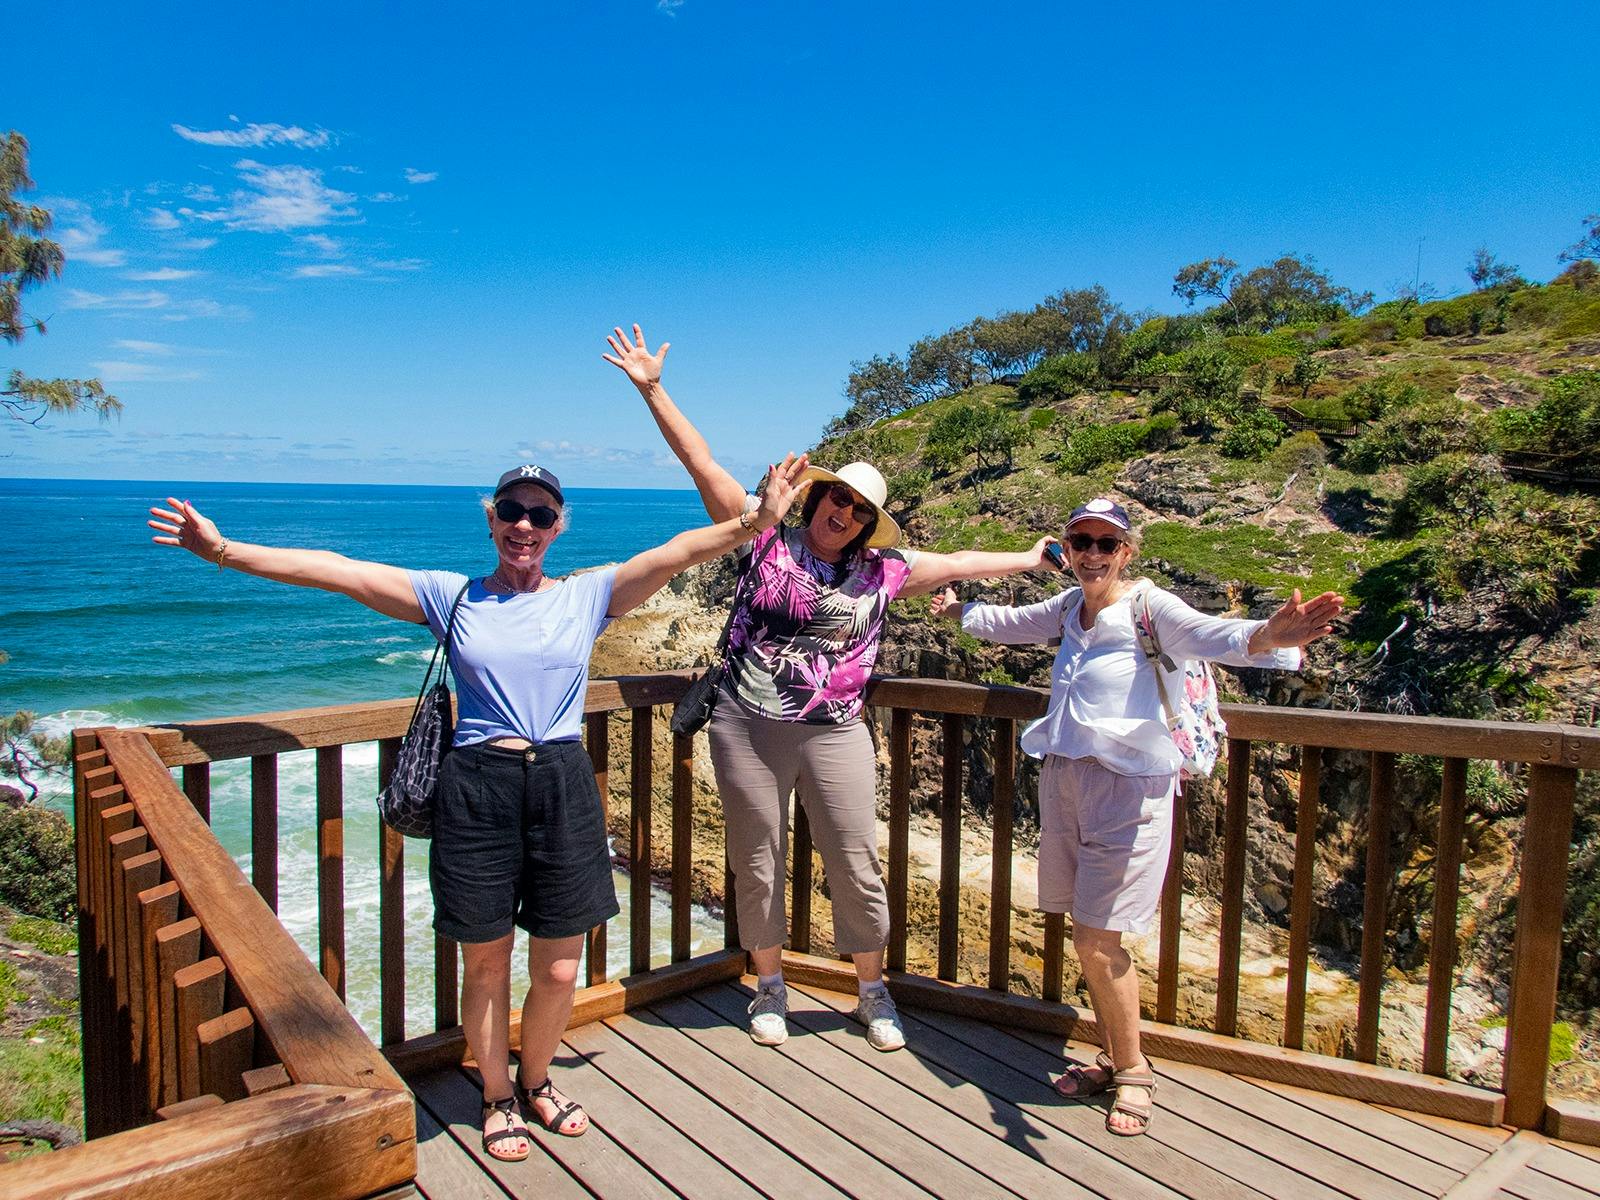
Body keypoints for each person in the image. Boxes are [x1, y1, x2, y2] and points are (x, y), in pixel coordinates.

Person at [148, 454, 808, 1161]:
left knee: (559, 968)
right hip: (477, 784)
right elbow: (334, 570)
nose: (525, 525)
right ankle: (496, 1096)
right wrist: (221, 550)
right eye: (512, 512)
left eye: (542, 514)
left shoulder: (586, 596)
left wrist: (755, 521)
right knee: (487, 963)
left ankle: (536, 1079)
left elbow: (678, 551)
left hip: (559, 780)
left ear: (559, 526)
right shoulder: (450, 597)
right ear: (491, 520)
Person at [605, 323, 1060, 1052]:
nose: (840, 511)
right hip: (746, 725)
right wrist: (653, 388)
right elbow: (702, 461)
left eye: (856, 509)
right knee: (757, 859)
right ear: (817, 497)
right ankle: (770, 988)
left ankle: (871, 990)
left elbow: (964, 560)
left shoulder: (885, 572)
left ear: (865, 525)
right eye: (834, 497)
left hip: (837, 728)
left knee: (855, 856)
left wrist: (1032, 560)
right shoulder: (763, 533)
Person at [930, 496, 1343, 1136]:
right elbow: (1013, 622)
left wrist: (1270, 635)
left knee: (1098, 939)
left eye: (1106, 543)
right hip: (1066, 782)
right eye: (1080, 542)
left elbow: (1218, 635)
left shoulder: (1153, 609)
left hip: (1132, 792)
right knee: (1085, 934)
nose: (1092, 553)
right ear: (1067, 550)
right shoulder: (1070, 607)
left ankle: (1133, 1072)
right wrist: (962, 611)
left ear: (1128, 551)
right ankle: (1115, 1055)